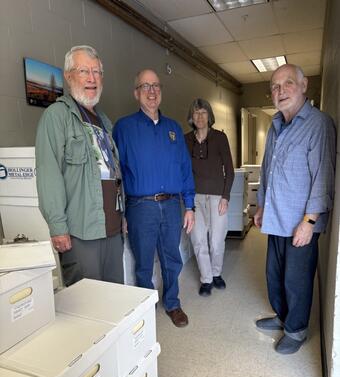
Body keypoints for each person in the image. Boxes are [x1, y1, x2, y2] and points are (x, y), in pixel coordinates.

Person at [254, 64, 336, 354]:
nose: (280, 90)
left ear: (304, 86)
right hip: (276, 215)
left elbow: (323, 176)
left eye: (287, 83)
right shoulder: (275, 126)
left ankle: (296, 330)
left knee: (296, 279)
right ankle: (283, 316)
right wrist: (261, 205)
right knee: (274, 274)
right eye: (275, 87)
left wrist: (310, 221)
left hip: (301, 222)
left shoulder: (319, 124)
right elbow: (267, 171)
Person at [36, 45, 124, 286]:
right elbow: (48, 174)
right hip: (81, 232)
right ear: (68, 75)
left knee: (116, 298)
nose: (92, 78)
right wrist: (57, 226)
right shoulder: (57, 116)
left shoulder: (104, 121)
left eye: (96, 71)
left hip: (112, 228)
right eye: (84, 70)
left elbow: (113, 172)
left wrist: (122, 214)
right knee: (87, 304)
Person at [113, 69, 195, 327]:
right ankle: (145, 306)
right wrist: (121, 213)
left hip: (171, 205)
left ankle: (172, 303)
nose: (151, 91)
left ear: (161, 91)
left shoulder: (173, 128)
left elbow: (184, 168)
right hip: (140, 207)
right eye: (145, 86)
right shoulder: (124, 128)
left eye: (156, 86)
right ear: (136, 93)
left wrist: (189, 205)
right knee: (144, 263)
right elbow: (117, 173)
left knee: (172, 258)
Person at [185, 99, 234, 297]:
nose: (200, 117)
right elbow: (182, 170)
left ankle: (216, 273)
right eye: (196, 113)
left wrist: (226, 196)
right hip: (195, 198)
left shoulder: (220, 138)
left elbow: (229, 170)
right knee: (198, 240)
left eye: (203, 113)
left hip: (217, 198)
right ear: (191, 117)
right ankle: (206, 279)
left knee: (216, 240)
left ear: (209, 116)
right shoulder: (185, 139)